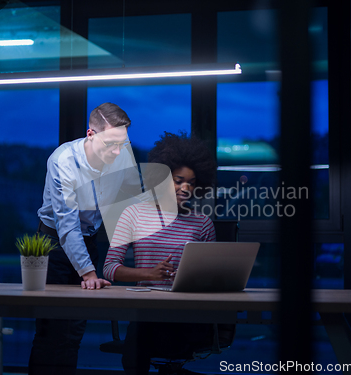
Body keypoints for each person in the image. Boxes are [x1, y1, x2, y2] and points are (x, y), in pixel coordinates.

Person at [29, 102, 143, 375]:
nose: (117, 152)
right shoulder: (63, 160)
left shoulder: (121, 153)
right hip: (52, 244)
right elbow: (67, 226)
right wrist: (89, 273)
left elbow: (130, 205)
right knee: (50, 331)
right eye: (111, 144)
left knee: (74, 332)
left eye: (122, 144)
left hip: (89, 241)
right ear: (90, 134)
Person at [103, 131, 217, 375]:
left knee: (149, 339)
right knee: (143, 333)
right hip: (147, 310)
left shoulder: (202, 223)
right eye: (178, 180)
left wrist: (194, 279)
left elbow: (213, 276)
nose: (185, 187)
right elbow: (110, 268)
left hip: (187, 312)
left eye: (191, 182)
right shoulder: (133, 215)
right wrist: (149, 274)